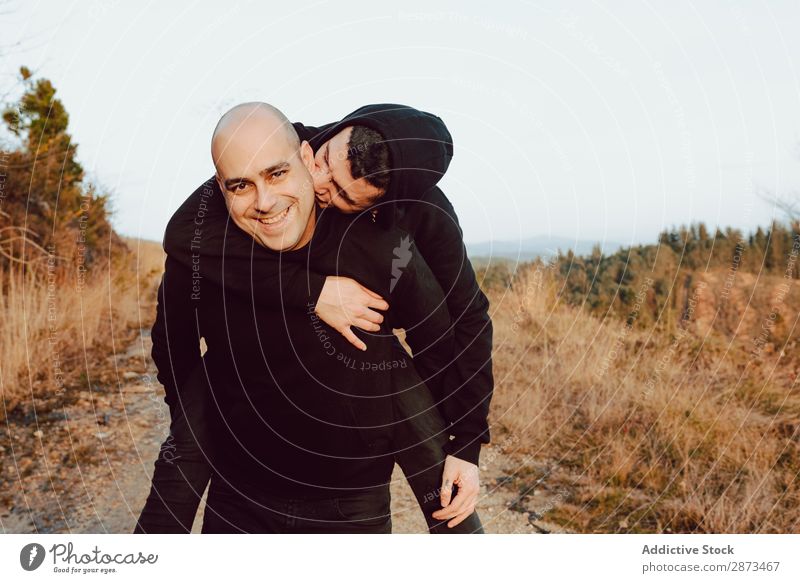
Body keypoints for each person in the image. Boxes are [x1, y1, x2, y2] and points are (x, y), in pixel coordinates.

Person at [135, 103, 484, 533]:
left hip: (350, 501)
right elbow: (175, 334)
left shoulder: (402, 232)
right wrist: (313, 292)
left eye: (341, 194)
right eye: (322, 163)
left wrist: (463, 443)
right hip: (241, 493)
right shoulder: (257, 169)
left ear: (382, 205)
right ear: (310, 149)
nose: (320, 185)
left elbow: (450, 334)